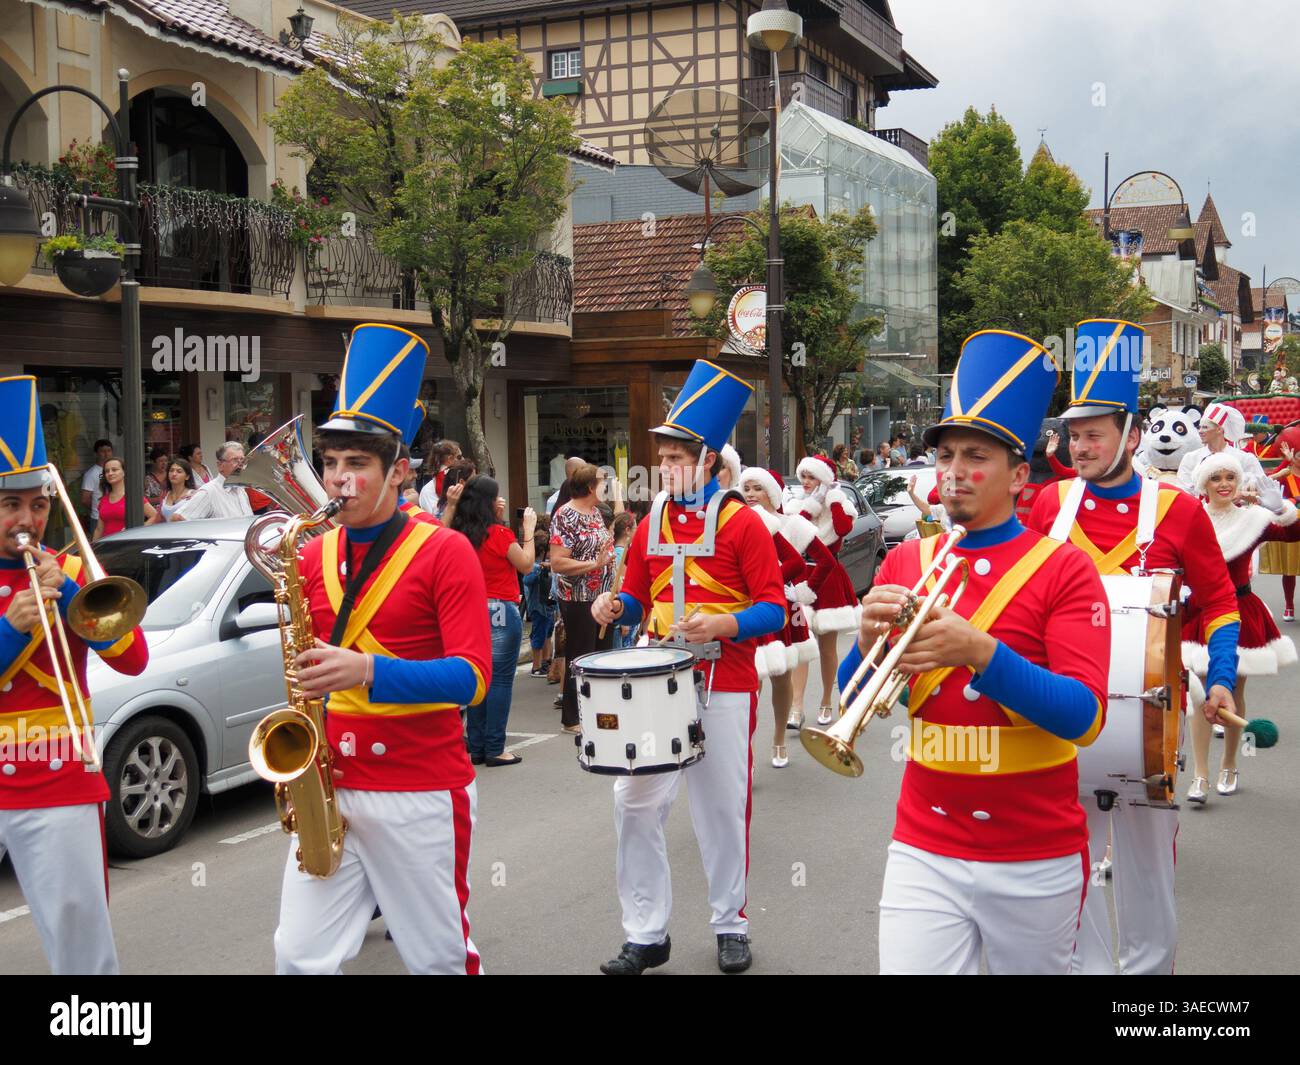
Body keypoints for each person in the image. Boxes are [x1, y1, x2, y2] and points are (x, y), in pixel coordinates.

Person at [847, 329, 1111, 975]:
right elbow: (865, 696)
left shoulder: (1066, 568)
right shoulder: (908, 557)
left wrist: (983, 653)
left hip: (1034, 849)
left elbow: (1084, 716)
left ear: (1021, 475)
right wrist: (863, 646)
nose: (955, 470)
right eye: (946, 455)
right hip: (923, 839)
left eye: (976, 456)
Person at [273, 323, 491, 976]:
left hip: (419, 786)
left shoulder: (446, 550)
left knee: (439, 959)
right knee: (298, 954)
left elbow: (473, 678)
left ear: (398, 470)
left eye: (357, 464)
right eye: (332, 462)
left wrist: (368, 671)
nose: (340, 479)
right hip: (331, 784)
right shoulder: (310, 554)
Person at [1026, 319, 1241, 976]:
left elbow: (1221, 601)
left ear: (1133, 432)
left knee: (1149, 879)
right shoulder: (1047, 506)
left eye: (1094, 432)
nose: (1080, 445)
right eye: (1073, 432)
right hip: (1060, 718)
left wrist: (1224, 675)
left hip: (1149, 720)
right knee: (1072, 873)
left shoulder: (1178, 510)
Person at [591, 359, 785, 975]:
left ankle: (731, 924)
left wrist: (724, 624)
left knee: (720, 808)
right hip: (657, 678)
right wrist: (612, 603)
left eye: (678, 456)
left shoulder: (744, 522)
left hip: (724, 679)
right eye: (664, 455)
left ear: (706, 461)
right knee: (635, 801)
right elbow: (638, 599)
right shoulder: (650, 521)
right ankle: (646, 932)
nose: (667, 466)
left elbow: (775, 610)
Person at [0, 375, 149, 974]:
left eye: (38, 504)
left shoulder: (68, 569)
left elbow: (133, 659)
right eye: (11, 504)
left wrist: (68, 603)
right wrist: (11, 629)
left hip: (57, 779)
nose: (28, 519)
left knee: (81, 946)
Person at [1183, 452, 1299, 801]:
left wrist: (1282, 509)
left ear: (1237, 482)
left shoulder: (1253, 518)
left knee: (1233, 692)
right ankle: (1200, 775)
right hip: (1200, 612)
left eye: (1229, 478)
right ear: (1204, 485)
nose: (1223, 485)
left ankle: (1230, 764)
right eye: (1215, 479)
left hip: (1239, 609)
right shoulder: (1191, 519)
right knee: (1201, 694)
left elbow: (1292, 535)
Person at [450, 476, 536, 767]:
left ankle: (476, 745)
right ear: (489, 503)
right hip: (501, 608)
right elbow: (525, 564)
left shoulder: (458, 534)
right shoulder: (499, 534)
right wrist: (528, 531)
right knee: (499, 680)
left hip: (470, 610)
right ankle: (496, 746)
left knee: (478, 678)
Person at [738, 466, 819, 767]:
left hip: (777, 606)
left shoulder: (775, 524)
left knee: (780, 675)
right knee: (750, 679)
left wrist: (768, 582)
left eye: (757, 488)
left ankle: (779, 739)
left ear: (771, 492)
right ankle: (747, 748)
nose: (750, 495)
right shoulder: (740, 520)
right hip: (746, 608)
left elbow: (797, 563)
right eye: (746, 489)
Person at [783, 454, 859, 729]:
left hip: (826, 576)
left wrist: (832, 500)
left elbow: (842, 529)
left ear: (824, 479)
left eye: (811, 477)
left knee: (827, 647)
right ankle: (796, 707)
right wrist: (811, 504)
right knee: (801, 645)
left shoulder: (838, 502)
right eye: (803, 476)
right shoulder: (795, 504)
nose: (805, 482)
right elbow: (793, 536)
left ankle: (827, 700)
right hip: (800, 574)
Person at [550, 463, 615, 734]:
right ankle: (572, 717)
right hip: (578, 596)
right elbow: (557, 562)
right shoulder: (566, 515)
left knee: (602, 654)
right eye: (603, 482)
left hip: (603, 594)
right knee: (581, 653)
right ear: (590, 486)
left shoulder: (596, 513)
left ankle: (597, 712)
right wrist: (594, 565)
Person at [1176, 402, 1267, 494]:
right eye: (1199, 428)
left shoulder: (1245, 459)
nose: (1200, 431)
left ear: (1219, 429)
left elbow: (1262, 487)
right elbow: (1183, 491)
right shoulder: (1190, 458)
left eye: (1205, 427)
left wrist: (1242, 494)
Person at [1262, 424, 1300, 622]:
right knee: (1289, 569)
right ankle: (1289, 605)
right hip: (1291, 525)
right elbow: (1267, 483)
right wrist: (1284, 464)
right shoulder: (1285, 474)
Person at [172, 441, 252, 521]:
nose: (241, 464)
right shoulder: (209, 492)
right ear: (220, 465)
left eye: (242, 460)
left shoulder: (241, 490)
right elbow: (177, 518)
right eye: (235, 460)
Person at [91, 458, 157, 539]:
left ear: (124, 472)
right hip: (107, 546)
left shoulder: (133, 497)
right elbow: (99, 529)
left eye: (114, 470)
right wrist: (91, 549)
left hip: (127, 545)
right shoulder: (103, 499)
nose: (110, 473)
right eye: (107, 471)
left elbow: (155, 516)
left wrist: (137, 531)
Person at [523, 529, 556, 676]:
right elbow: (527, 580)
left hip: (548, 605)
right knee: (538, 635)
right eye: (549, 550)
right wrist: (539, 569)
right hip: (537, 606)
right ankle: (536, 666)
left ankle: (546, 660)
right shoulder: (532, 566)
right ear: (542, 550)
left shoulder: (547, 564)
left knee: (547, 632)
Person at [610, 511, 637, 648]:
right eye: (635, 529)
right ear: (627, 531)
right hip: (623, 613)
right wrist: (624, 621)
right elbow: (620, 587)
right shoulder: (620, 555)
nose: (637, 532)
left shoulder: (616, 552)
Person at [416, 439, 463, 513]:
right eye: (459, 457)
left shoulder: (460, 481)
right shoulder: (428, 491)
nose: (463, 460)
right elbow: (436, 518)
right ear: (450, 459)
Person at [147, 456, 196, 523]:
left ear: (187, 476)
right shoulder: (164, 494)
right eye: (171, 470)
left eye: (179, 471)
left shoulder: (193, 495)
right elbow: (158, 519)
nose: (174, 474)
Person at [80, 438, 113, 523]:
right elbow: (85, 499)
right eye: (102, 451)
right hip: (98, 518)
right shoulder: (91, 474)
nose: (106, 454)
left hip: (114, 516)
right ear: (96, 454)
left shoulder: (115, 471)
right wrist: (97, 508)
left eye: (109, 451)